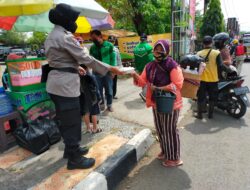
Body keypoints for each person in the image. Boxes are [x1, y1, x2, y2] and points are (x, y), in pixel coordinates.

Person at [45, 4, 122, 170]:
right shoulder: (65, 37)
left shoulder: (53, 35)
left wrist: (75, 67)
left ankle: (71, 149)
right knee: (72, 121)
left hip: (56, 83)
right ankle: (74, 160)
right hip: (64, 86)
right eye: (73, 19)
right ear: (65, 20)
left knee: (66, 119)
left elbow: (60, 60)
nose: (74, 23)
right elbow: (86, 58)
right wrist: (109, 68)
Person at [131, 40, 184, 167]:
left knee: (169, 130)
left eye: (161, 50)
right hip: (156, 102)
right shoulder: (149, 66)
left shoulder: (172, 65)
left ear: (167, 52)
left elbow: (178, 85)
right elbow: (142, 82)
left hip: (170, 103)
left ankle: (174, 158)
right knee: (160, 129)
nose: (158, 53)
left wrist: (160, 88)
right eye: (156, 50)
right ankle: (166, 151)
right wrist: (133, 75)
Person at [196, 36, 225, 119]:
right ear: (212, 43)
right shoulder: (216, 53)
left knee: (201, 97)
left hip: (201, 80)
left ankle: (199, 115)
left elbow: (196, 66)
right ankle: (210, 115)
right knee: (212, 97)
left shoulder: (198, 53)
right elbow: (220, 65)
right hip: (213, 79)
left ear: (203, 44)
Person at [90, 30, 116, 112]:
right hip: (96, 72)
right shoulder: (92, 47)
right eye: (92, 38)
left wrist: (113, 71)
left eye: (95, 38)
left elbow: (113, 59)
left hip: (108, 72)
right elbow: (91, 60)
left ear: (100, 36)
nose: (93, 40)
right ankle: (101, 104)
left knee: (109, 90)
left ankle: (109, 105)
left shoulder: (109, 45)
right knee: (98, 90)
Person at [80, 65, 102, 134]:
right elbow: (96, 88)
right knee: (94, 113)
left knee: (86, 112)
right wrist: (99, 98)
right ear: (87, 68)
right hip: (92, 98)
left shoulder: (78, 77)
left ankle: (88, 128)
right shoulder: (91, 76)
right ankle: (95, 128)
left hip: (83, 97)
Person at [133, 33, 154, 101]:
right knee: (148, 81)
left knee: (142, 81)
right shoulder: (149, 47)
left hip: (139, 68)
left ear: (140, 39)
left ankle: (144, 94)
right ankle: (144, 95)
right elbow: (151, 59)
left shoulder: (136, 48)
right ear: (146, 39)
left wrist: (137, 68)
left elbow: (135, 60)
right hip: (148, 68)